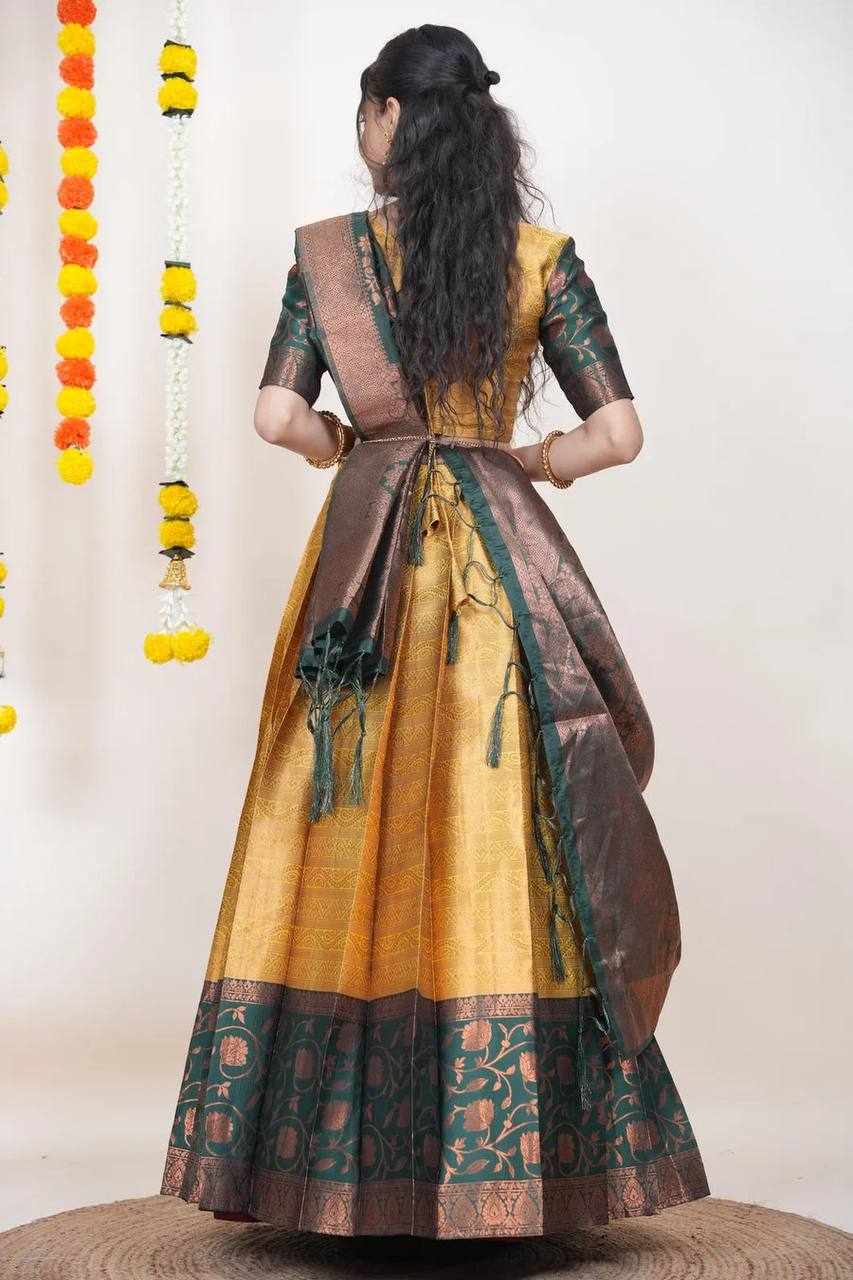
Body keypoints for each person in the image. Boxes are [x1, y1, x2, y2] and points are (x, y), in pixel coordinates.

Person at [159, 23, 710, 1239]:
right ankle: (515, 1162)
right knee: (504, 825)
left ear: (387, 118)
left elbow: (274, 416)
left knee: (335, 814)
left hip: (363, 571)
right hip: (500, 574)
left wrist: (344, 446)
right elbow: (618, 433)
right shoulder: (538, 259)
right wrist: (530, 462)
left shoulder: (329, 257)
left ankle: (328, 1161)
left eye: (364, 113)